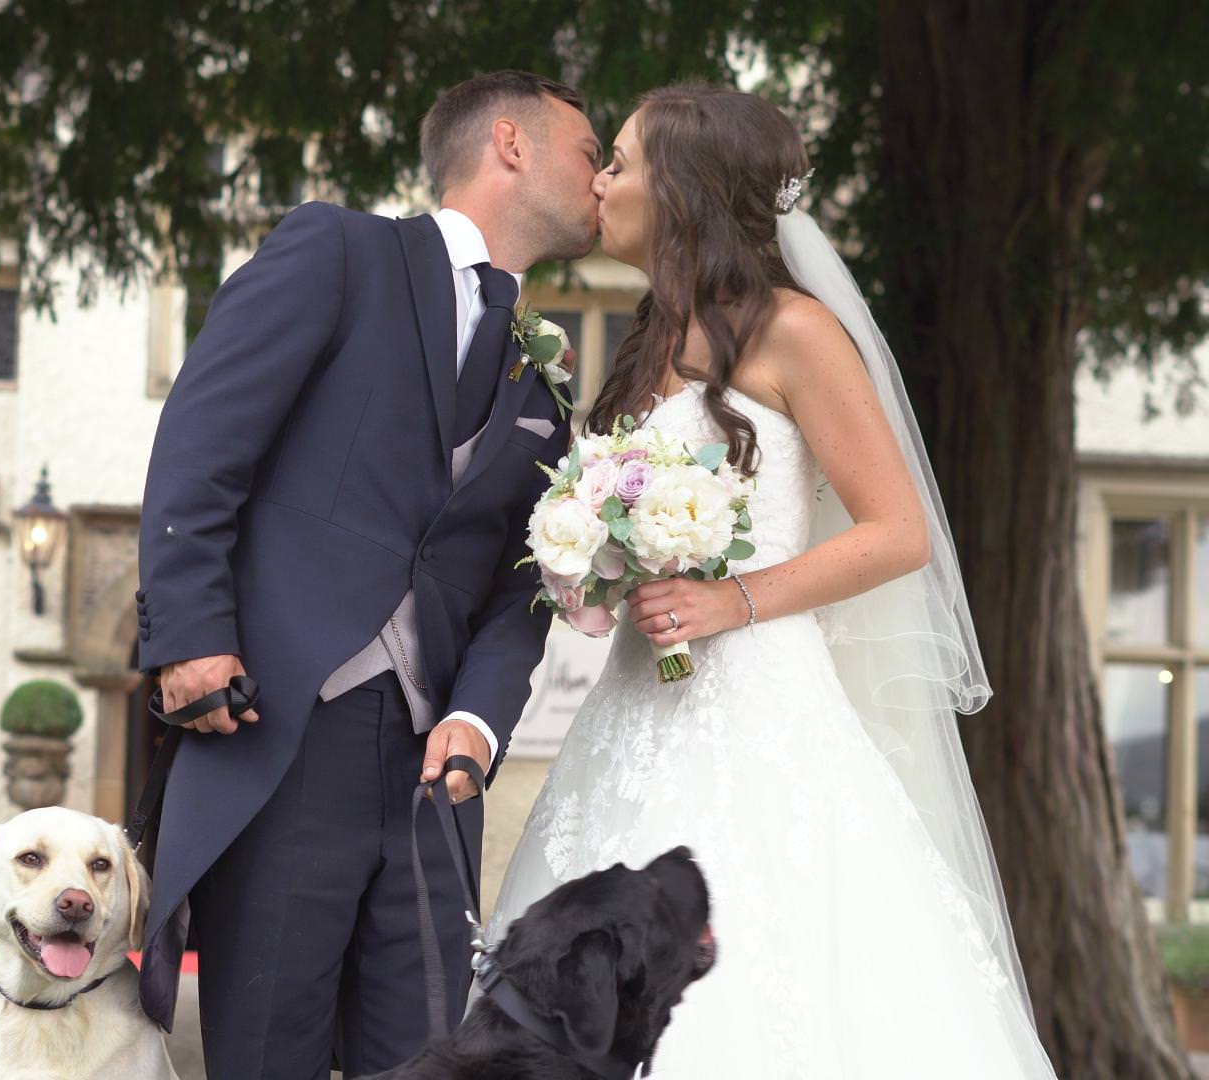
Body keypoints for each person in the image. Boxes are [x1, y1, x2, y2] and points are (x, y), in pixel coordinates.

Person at [487, 83, 1057, 1077]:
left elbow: (897, 533)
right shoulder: (648, 338)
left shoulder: (794, 332)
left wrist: (733, 597)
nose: (602, 181)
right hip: (634, 701)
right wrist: (594, 565)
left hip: (759, 704)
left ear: (686, 189)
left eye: (620, 160)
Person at [134, 70, 601, 1077]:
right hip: (285, 734)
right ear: (511, 143)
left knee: (432, 1057)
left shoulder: (542, 382)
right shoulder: (339, 252)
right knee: (267, 1056)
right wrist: (188, 636)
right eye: (588, 150)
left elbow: (522, 581)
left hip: (436, 776)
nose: (603, 175)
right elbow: (202, 443)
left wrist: (478, 719)